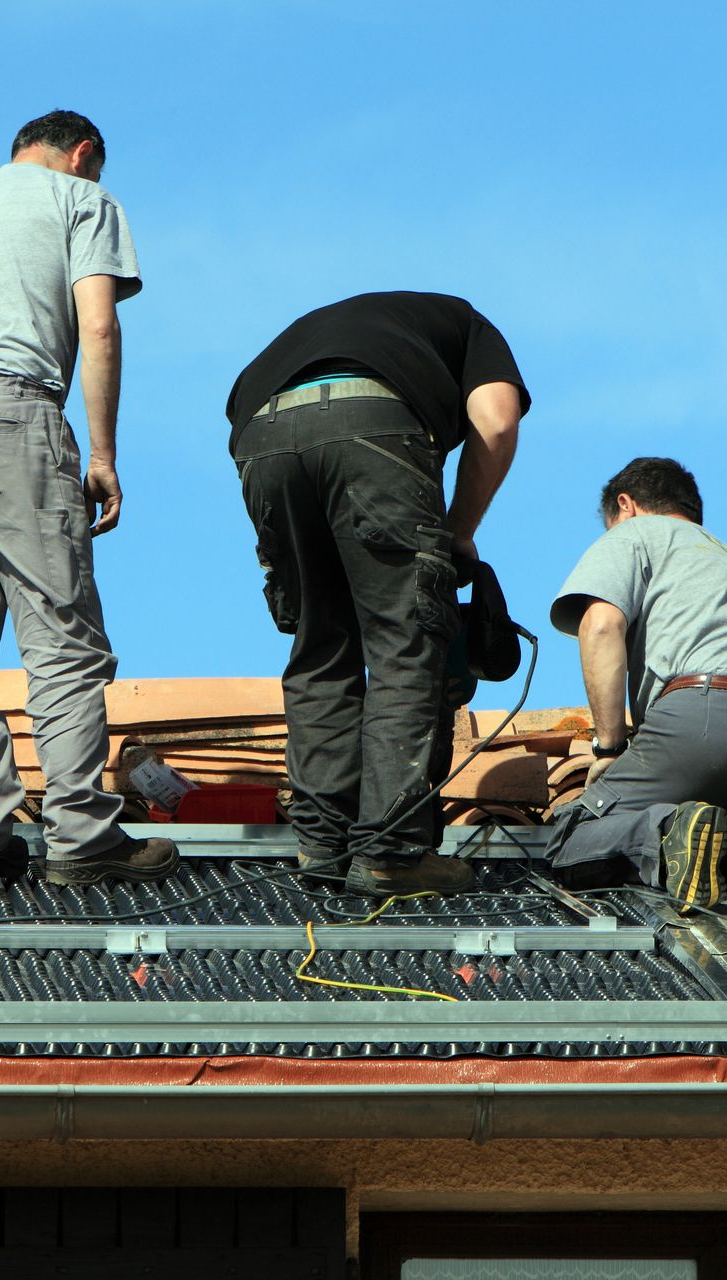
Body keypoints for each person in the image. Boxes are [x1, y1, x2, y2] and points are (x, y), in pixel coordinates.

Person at [0, 110, 178, 889]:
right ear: (83, 155)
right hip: (12, 409)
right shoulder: (82, 202)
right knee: (61, 635)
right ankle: (83, 838)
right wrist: (104, 455)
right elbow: (100, 327)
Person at [226, 292, 530, 896]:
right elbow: (496, 418)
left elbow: (237, 405)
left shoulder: (324, 328)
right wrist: (458, 530)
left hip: (261, 439)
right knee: (404, 641)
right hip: (374, 428)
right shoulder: (469, 324)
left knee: (320, 644)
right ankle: (391, 852)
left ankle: (322, 845)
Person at [546, 457, 727, 912]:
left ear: (627, 505)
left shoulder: (635, 533)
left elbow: (600, 626)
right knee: (722, 820)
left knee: (569, 840)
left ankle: (667, 834)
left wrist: (608, 748)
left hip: (705, 724)